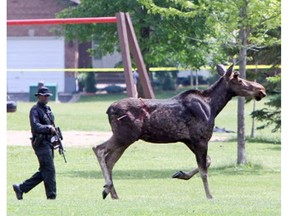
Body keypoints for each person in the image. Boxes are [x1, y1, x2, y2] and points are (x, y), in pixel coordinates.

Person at [13, 86, 58, 200]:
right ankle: (51, 197)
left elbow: (52, 125)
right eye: (44, 95)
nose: (46, 98)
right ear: (38, 96)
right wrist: (48, 128)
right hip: (40, 143)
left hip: (48, 143)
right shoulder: (35, 110)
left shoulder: (48, 109)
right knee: (50, 170)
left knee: (45, 171)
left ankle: (21, 188)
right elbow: (35, 126)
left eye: (48, 96)